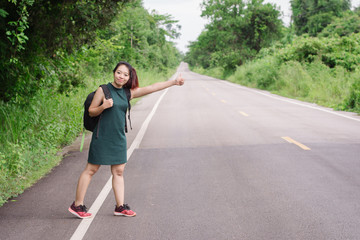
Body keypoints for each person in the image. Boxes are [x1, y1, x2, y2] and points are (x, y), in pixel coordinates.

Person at [68, 61, 184, 218]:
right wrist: (103, 106)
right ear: (114, 72)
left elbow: (152, 87)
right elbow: (91, 112)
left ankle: (120, 206)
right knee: (91, 169)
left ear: (129, 77)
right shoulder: (103, 90)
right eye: (119, 72)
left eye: (125, 74)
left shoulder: (128, 93)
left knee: (119, 171)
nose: (121, 76)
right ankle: (77, 205)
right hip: (101, 136)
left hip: (119, 138)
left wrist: (174, 82)